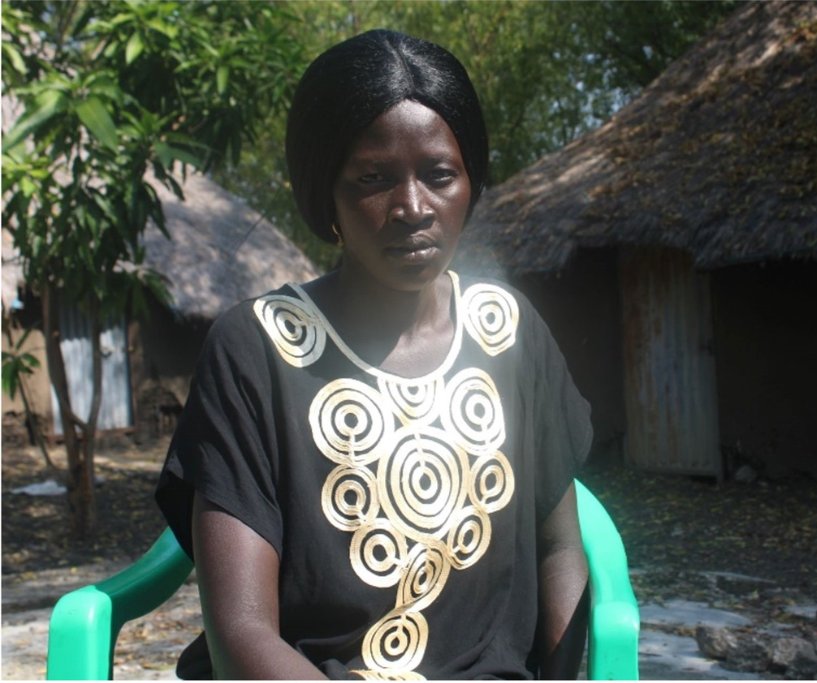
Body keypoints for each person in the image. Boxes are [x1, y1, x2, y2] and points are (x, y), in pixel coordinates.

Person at [156, 29, 592, 680]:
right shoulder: (259, 350)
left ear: (470, 181)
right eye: (373, 178)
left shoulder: (509, 331)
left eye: (440, 174)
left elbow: (559, 548)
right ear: (324, 193)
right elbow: (242, 629)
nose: (412, 207)